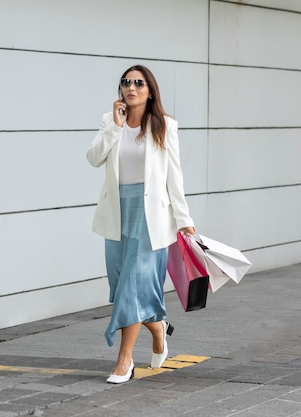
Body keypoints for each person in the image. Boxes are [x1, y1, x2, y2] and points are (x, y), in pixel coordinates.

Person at [86, 64, 196, 384]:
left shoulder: (164, 126)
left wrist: (184, 219)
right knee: (123, 289)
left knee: (133, 288)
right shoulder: (111, 122)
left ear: (150, 91)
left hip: (151, 219)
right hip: (117, 215)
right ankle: (159, 328)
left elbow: (174, 177)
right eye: (126, 83)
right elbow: (93, 158)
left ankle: (124, 361)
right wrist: (115, 128)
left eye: (139, 83)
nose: (131, 88)